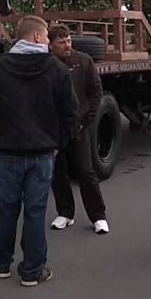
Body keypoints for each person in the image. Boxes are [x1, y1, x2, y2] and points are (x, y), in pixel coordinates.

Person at [0, 15, 77, 287]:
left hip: (9, 151)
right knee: (36, 211)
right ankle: (33, 271)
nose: (47, 40)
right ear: (35, 37)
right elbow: (70, 114)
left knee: (7, 209)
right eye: (45, 36)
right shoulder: (57, 70)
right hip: (43, 153)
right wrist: (59, 144)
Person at [46, 23, 109, 234]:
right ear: (51, 45)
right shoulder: (46, 65)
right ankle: (65, 213)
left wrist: (86, 120)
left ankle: (99, 216)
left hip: (79, 126)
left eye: (69, 40)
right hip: (54, 129)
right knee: (58, 172)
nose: (67, 45)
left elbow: (96, 92)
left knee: (86, 171)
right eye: (62, 42)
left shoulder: (84, 61)